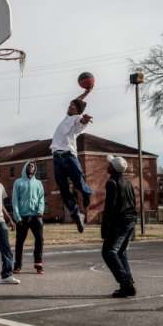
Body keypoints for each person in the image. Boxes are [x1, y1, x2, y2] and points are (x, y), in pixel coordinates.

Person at [50, 88, 94, 233]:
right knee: (63, 190)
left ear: (77, 111)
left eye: (72, 107)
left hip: (69, 156)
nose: (69, 107)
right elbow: (77, 100)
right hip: (57, 158)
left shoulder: (76, 119)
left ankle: (86, 192)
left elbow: (81, 122)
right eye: (69, 105)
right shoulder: (67, 116)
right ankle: (76, 215)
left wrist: (84, 120)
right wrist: (88, 91)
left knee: (78, 182)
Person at [101, 155, 137, 298]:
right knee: (120, 252)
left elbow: (110, 208)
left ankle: (126, 283)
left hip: (120, 221)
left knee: (108, 252)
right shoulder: (128, 183)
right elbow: (133, 203)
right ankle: (128, 285)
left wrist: (105, 227)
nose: (107, 165)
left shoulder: (112, 183)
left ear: (113, 169)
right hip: (131, 220)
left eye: (109, 164)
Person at [12, 160, 45, 274]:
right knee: (20, 242)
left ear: (35, 169)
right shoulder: (18, 182)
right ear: (25, 167)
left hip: (36, 216)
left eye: (33, 166)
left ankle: (38, 263)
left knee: (40, 239)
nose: (31, 168)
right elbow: (15, 201)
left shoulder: (38, 183)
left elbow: (41, 198)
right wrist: (17, 217)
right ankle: (17, 265)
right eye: (29, 166)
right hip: (22, 217)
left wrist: (40, 211)